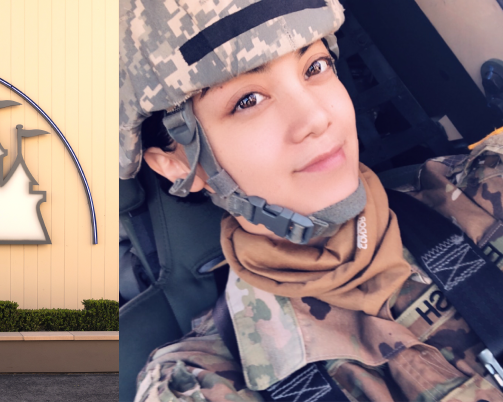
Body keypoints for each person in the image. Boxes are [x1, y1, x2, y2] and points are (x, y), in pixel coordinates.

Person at [120, 0, 503, 401]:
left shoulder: (483, 191)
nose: (316, 118)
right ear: (177, 165)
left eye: (315, 67)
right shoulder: (201, 383)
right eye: (248, 100)